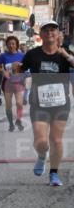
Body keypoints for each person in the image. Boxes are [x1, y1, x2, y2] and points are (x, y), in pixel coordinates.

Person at [19, 20, 73, 186]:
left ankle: (54, 173)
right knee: (41, 141)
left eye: (53, 30)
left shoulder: (65, 54)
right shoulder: (33, 54)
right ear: (41, 34)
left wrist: (66, 55)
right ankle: (42, 156)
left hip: (60, 103)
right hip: (39, 103)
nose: (50, 33)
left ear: (58, 34)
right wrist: (14, 69)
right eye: (46, 30)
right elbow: (20, 70)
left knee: (56, 140)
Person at [0, 36, 26, 132]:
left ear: (17, 45)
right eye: (9, 44)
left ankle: (19, 120)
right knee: (8, 105)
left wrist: (22, 68)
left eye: (13, 44)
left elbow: (27, 67)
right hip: (7, 83)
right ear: (6, 45)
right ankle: (10, 123)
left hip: (19, 82)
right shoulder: (3, 56)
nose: (11, 45)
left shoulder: (22, 55)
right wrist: (3, 71)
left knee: (19, 103)